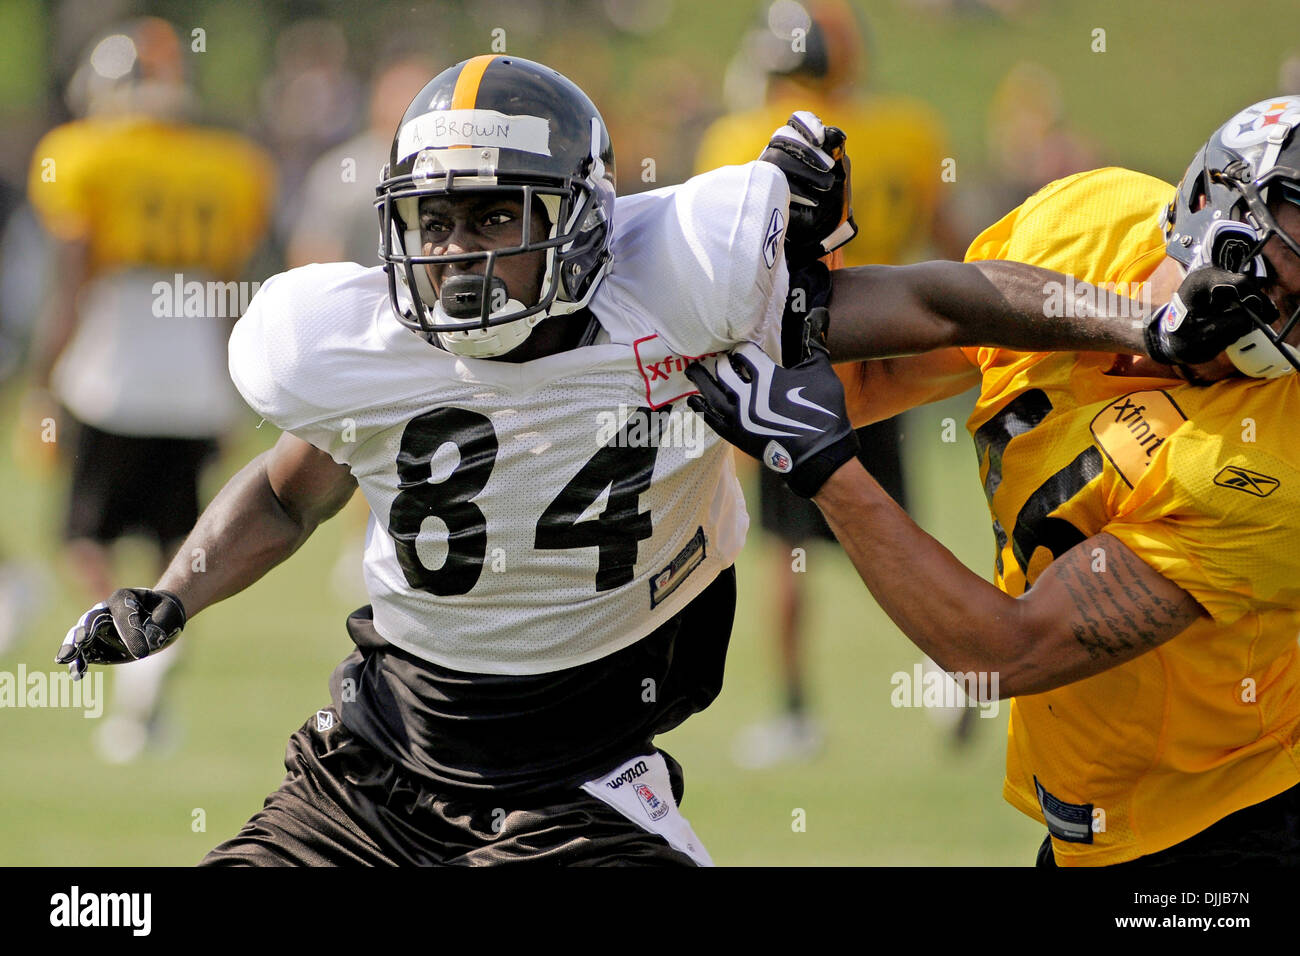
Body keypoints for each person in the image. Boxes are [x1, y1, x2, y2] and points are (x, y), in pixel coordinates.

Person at [53, 57, 1178, 867]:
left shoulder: (679, 288)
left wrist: (1144, 320)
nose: (455, 254)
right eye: (434, 221)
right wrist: (174, 591)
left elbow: (939, 300)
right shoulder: (366, 346)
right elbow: (291, 493)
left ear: (583, 221)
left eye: (494, 215)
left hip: (581, 782)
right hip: (370, 766)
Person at [685, 96, 1300, 866]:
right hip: (1091, 815)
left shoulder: (1271, 463)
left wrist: (826, 470)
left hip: (1222, 827)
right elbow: (868, 377)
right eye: (1290, 272)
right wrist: (784, 264)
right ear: (1217, 205)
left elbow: (1001, 653)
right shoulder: (1089, 220)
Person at [695, 0, 960, 767]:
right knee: (896, 529)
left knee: (789, 553)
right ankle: (950, 668)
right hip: (886, 363)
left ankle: (796, 715)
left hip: (789, 366)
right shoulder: (909, 132)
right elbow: (952, 249)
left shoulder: (742, 138)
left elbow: (715, 270)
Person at [26, 18, 275, 762]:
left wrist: (42, 381)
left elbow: (75, 279)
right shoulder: (227, 164)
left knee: (79, 539)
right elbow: (228, 289)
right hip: (194, 369)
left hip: (114, 366)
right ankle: (155, 656)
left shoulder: (86, 155)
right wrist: (235, 384)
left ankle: (124, 649)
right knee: (180, 548)